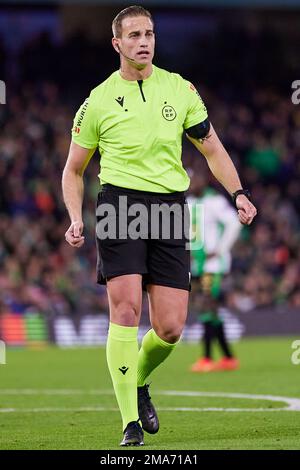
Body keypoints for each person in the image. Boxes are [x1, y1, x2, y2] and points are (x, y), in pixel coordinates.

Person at [62, 5, 257, 446]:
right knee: (126, 310)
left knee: (169, 329)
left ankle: (140, 382)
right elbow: (73, 170)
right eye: (133, 35)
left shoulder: (180, 89)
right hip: (119, 206)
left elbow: (212, 149)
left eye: (148, 33)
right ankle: (130, 423)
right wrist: (77, 218)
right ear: (117, 44)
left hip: (170, 208)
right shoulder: (97, 100)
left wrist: (239, 193)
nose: (144, 41)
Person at [188, 172, 242, 373]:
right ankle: (228, 357)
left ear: (204, 181)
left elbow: (234, 224)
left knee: (206, 304)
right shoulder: (189, 202)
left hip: (213, 265)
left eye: (196, 179)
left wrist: (220, 249)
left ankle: (207, 358)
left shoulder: (215, 201)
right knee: (209, 309)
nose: (193, 184)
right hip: (197, 265)